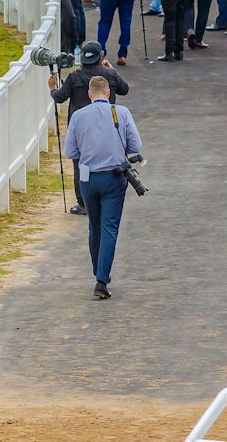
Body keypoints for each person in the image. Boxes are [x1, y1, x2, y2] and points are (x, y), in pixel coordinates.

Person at [61, 75, 142, 299]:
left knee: (94, 227)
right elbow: (136, 145)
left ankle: (99, 270)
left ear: (89, 94)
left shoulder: (78, 116)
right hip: (114, 177)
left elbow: (71, 152)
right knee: (109, 228)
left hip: (88, 178)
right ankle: (101, 278)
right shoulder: (122, 113)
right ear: (108, 93)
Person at [50, 44, 129, 214]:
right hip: (108, 126)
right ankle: (107, 198)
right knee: (107, 161)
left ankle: (84, 204)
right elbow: (125, 89)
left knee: (80, 164)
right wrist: (113, 70)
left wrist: (52, 87)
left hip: (81, 129)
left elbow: (59, 97)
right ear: (100, 57)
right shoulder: (109, 75)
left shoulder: (75, 77)